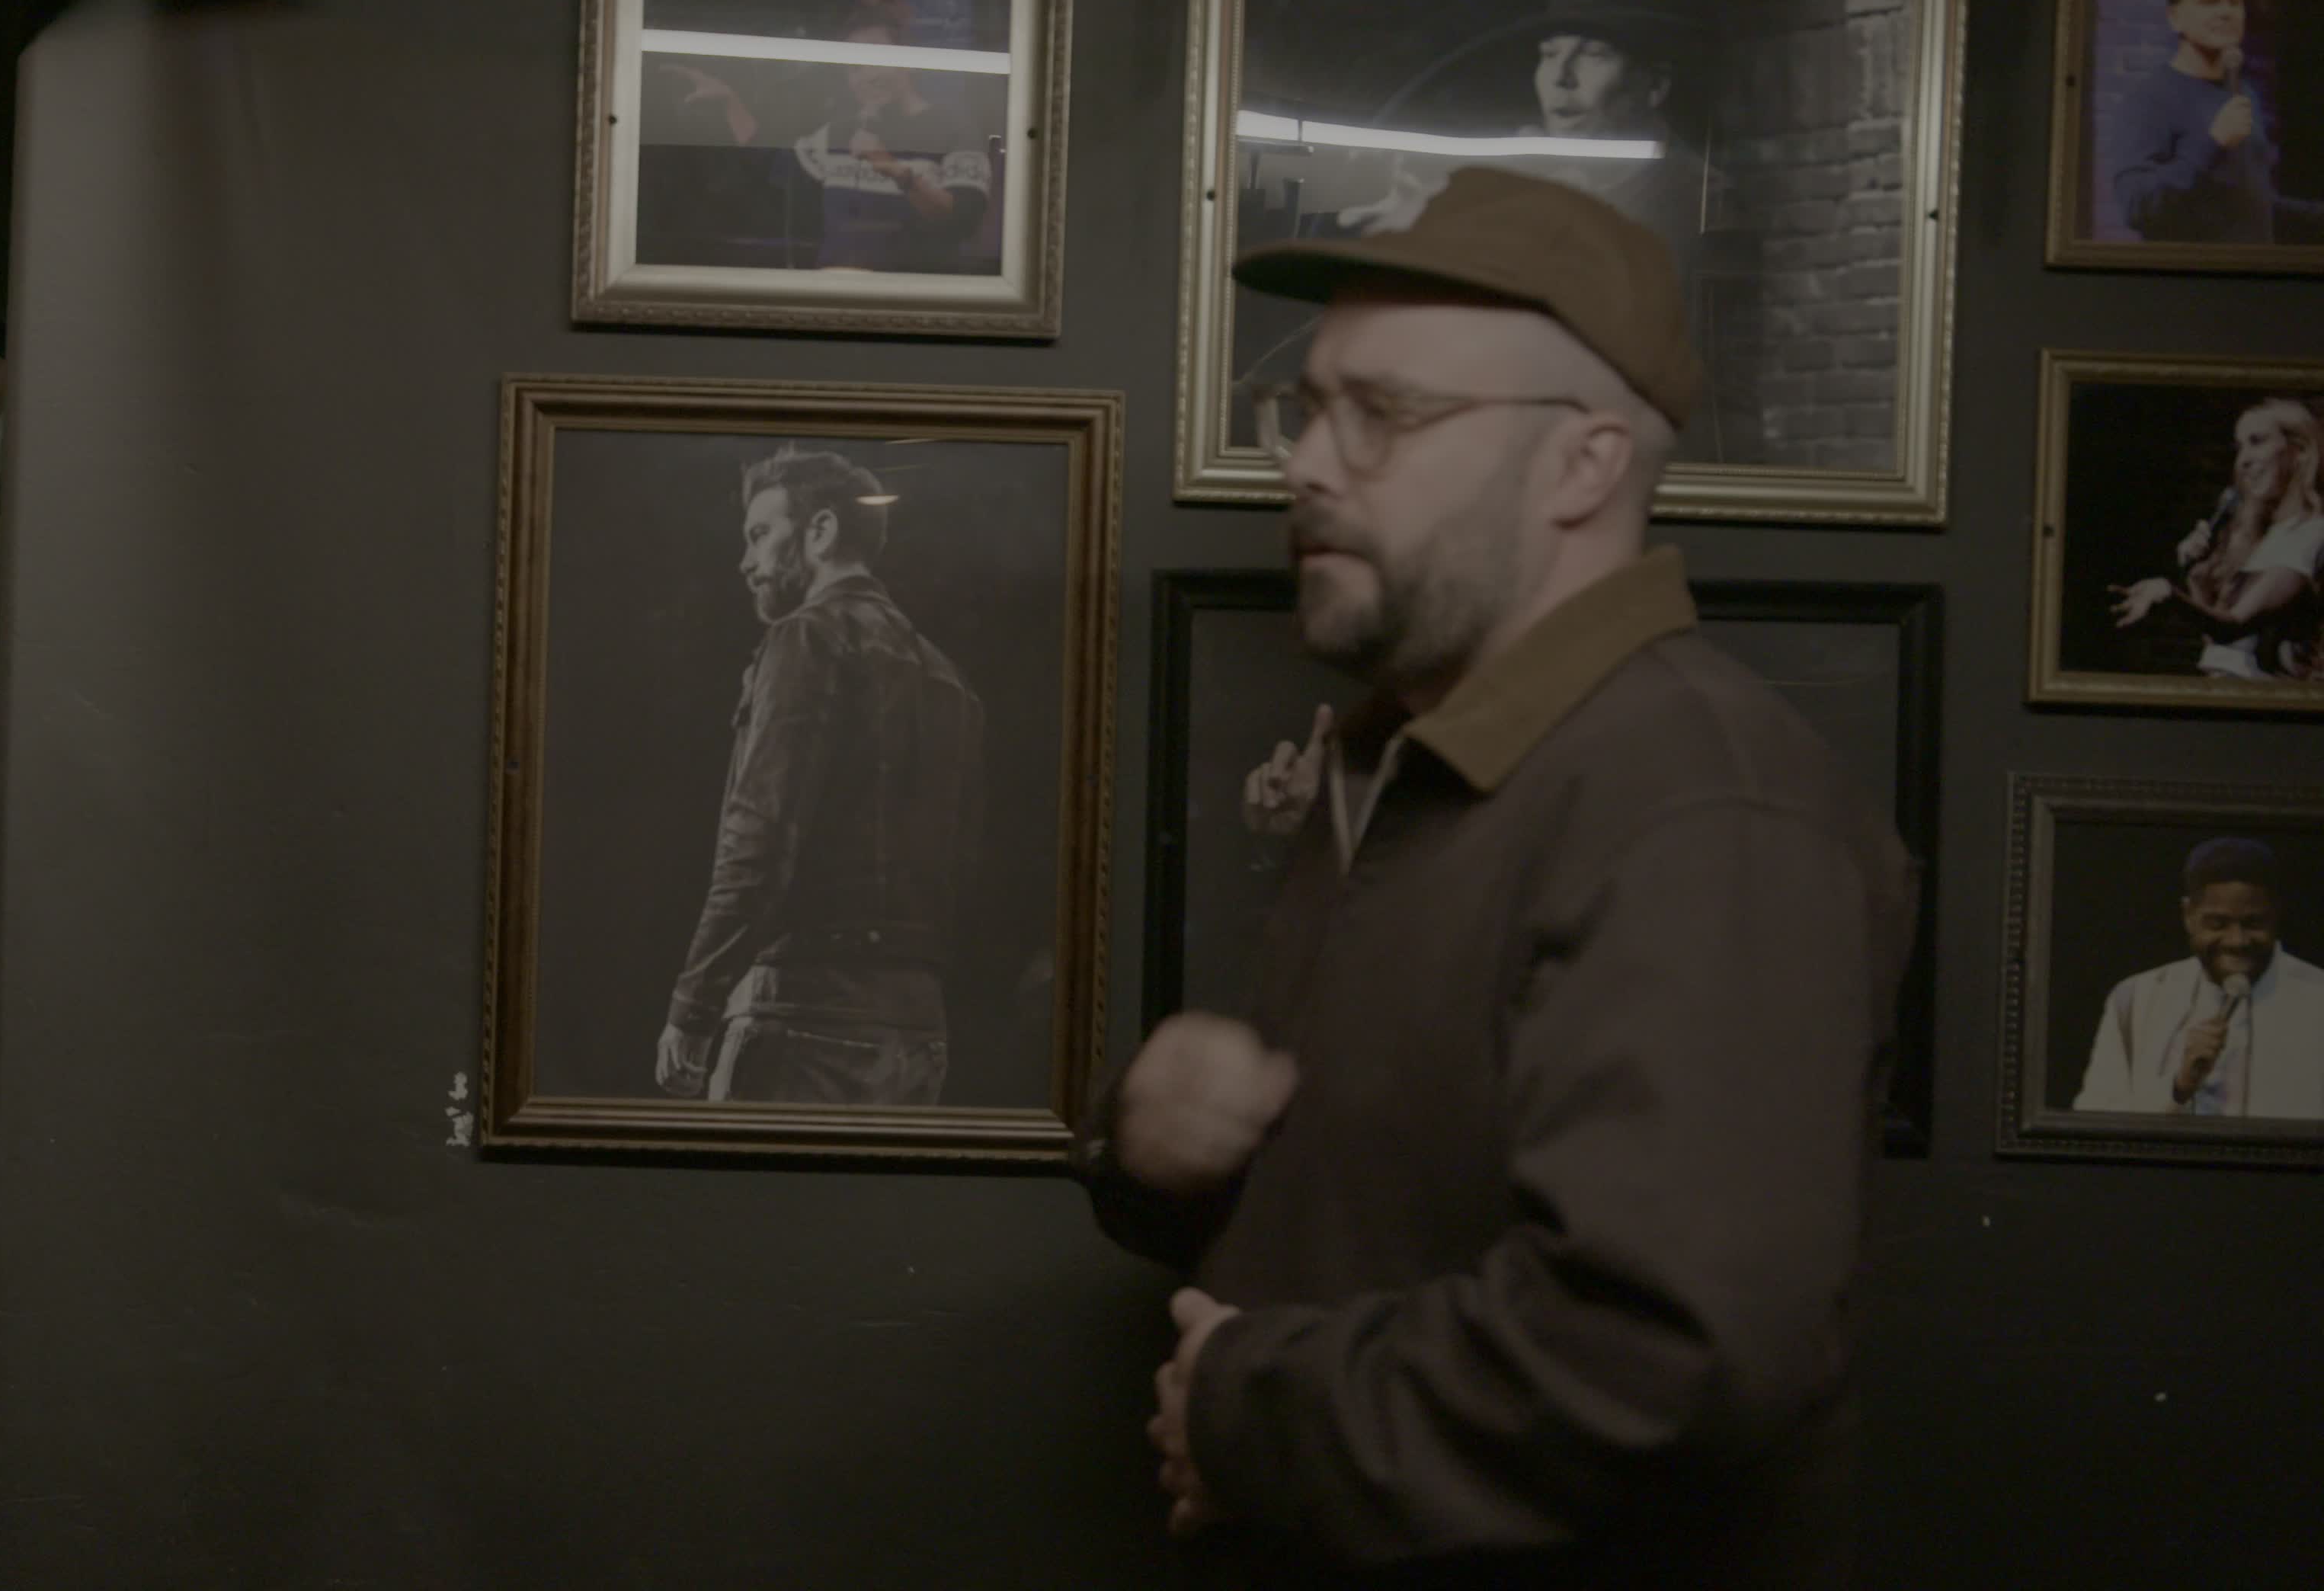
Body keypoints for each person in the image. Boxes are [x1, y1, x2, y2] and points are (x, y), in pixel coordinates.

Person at [1075, 168, 1914, 1587]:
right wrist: (1152, 1159)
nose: (1308, 465)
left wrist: (1245, 1414)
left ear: (1582, 467)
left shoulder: (1704, 806)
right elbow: (1390, 1210)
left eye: (1383, 414)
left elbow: (1668, 1358)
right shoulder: (1407, 755)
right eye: (1306, 408)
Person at [654, 446, 987, 1106]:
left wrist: (693, 1008)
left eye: (760, 534)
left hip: (802, 1019)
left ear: (821, 531)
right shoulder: (948, 679)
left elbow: (758, 843)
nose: (745, 561)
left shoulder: (806, 638)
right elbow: (969, 869)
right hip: (919, 1033)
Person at [1321, 0, 1721, 287]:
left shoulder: (1704, 203)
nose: (1561, 77)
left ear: (1655, 86)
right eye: (1549, 54)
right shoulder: (1527, 173)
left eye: (1595, 55)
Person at [660, 0, 996, 274]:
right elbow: (775, 167)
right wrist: (730, 102)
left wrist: (896, 171)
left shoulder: (954, 128)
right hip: (836, 297)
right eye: (853, 68)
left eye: (876, 60)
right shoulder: (840, 132)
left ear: (908, 59)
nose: (864, 77)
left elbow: (962, 221)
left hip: (909, 305)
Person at [2073, 837, 2324, 1119]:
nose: (2237, 941)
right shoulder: (2136, 998)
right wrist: (2178, 1086)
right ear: (2188, 916)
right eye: (2217, 923)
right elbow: (2093, 1120)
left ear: (2276, 914)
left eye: (2254, 923)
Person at [2104, 0, 2324, 245]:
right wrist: (2212, 143)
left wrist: (2314, 215)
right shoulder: (2149, 99)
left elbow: (2248, 202)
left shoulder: (2242, 93)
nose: (2226, 12)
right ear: (2175, 17)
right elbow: (2139, 206)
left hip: (2253, 268)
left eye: (2235, 2)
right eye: (2209, 1)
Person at [2110, 396, 2324, 680]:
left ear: (2300, 451)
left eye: (2257, 441)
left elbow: (2232, 626)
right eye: (2240, 447)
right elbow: (2218, 644)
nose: (2243, 461)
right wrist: (2197, 577)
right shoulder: (2265, 535)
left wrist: (2168, 593)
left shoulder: (2311, 533)